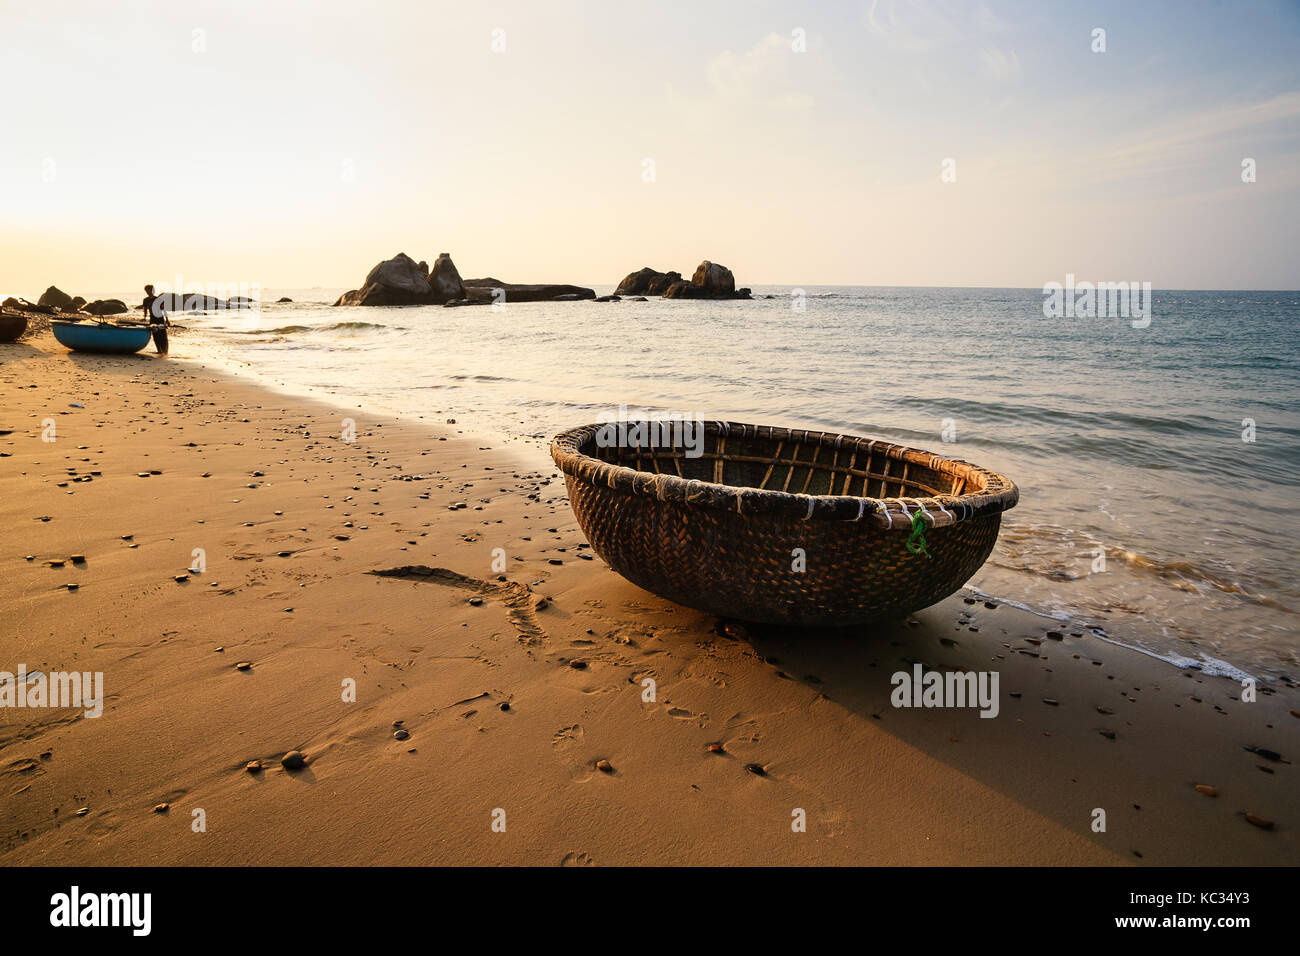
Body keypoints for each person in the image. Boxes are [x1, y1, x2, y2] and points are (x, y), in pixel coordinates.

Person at [142, 284, 168, 354]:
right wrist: (144, 317)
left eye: (149, 290)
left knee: (163, 335)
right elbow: (145, 309)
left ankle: (165, 351)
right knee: (155, 335)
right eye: (146, 290)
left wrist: (167, 320)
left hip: (160, 319)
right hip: (152, 319)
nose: (148, 292)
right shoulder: (145, 300)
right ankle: (159, 351)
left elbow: (164, 309)